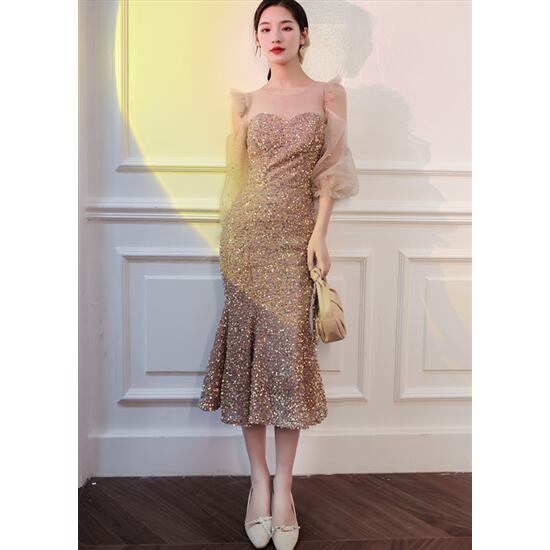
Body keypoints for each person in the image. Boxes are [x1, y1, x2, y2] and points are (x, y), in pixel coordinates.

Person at [198, 1, 359, 548]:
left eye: (286, 26)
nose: (275, 35)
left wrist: (320, 234)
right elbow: (236, 178)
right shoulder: (244, 102)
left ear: (303, 35)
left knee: (288, 362)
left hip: (296, 239)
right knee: (248, 361)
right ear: (257, 38)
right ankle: (259, 484)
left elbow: (331, 173)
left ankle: (285, 489)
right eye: (265, 28)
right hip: (245, 239)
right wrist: (229, 237)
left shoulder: (329, 95)